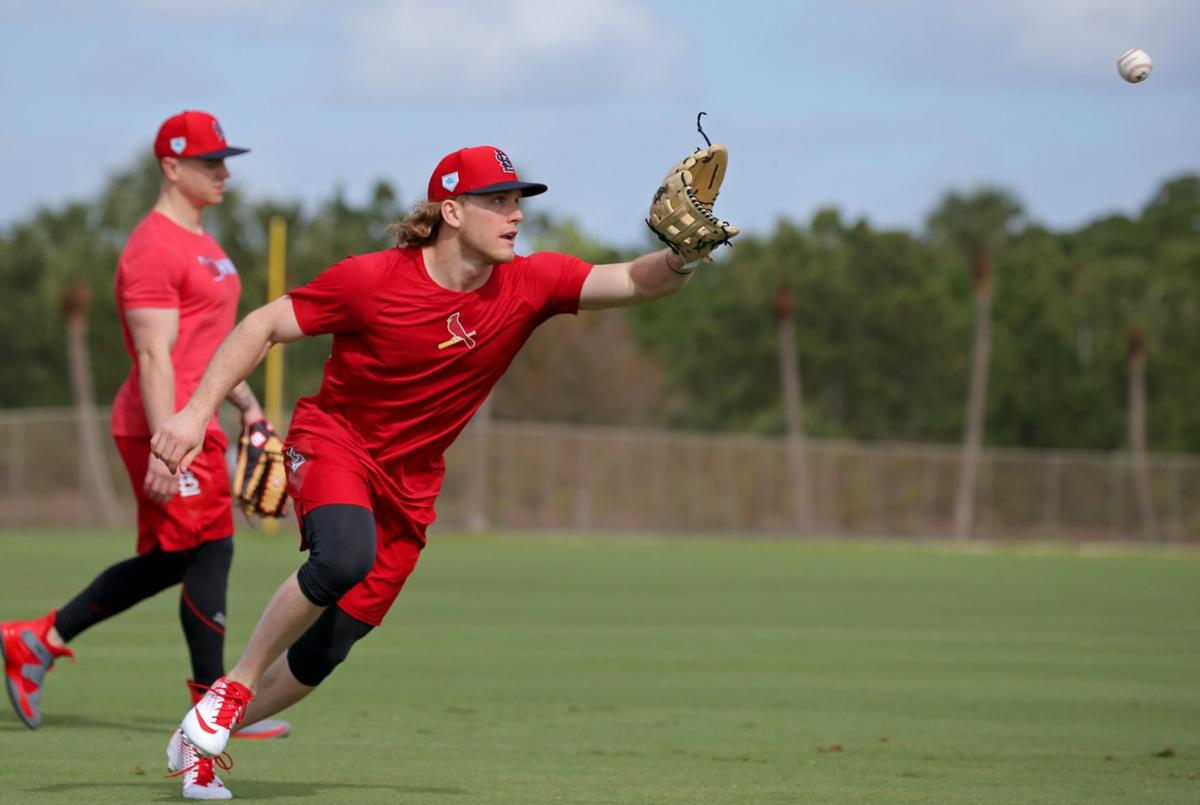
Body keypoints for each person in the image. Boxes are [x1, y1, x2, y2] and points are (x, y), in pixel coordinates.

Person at [150, 144, 703, 791]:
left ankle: (199, 737)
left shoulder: (529, 283)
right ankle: (232, 689)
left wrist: (683, 256)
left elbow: (637, 281)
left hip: (411, 486)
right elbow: (264, 323)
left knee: (327, 648)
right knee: (343, 557)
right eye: (497, 200)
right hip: (336, 442)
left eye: (518, 201)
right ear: (451, 211)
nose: (515, 214)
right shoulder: (374, 279)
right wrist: (194, 414)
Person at [0, 110, 289, 801]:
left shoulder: (206, 244)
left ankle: (35, 640)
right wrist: (169, 442)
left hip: (193, 421)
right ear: (170, 166)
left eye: (226, 159)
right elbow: (155, 356)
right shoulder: (152, 248)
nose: (224, 171)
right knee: (209, 548)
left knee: (177, 554)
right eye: (211, 161)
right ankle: (215, 705)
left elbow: (208, 346)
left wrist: (244, 403)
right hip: (161, 424)